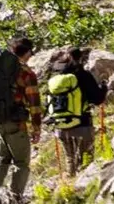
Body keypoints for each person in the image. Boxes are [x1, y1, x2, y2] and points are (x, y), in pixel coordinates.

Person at [0, 36, 41, 204]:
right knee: (21, 161)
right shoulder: (26, 73)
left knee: (2, 157)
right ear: (27, 52)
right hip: (16, 121)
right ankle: (15, 198)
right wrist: (36, 127)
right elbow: (34, 103)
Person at [44, 47, 107, 176]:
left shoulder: (57, 78)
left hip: (60, 125)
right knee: (86, 160)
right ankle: (85, 187)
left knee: (70, 159)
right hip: (81, 123)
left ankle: (71, 182)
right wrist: (103, 88)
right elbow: (97, 99)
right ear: (81, 59)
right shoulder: (83, 75)